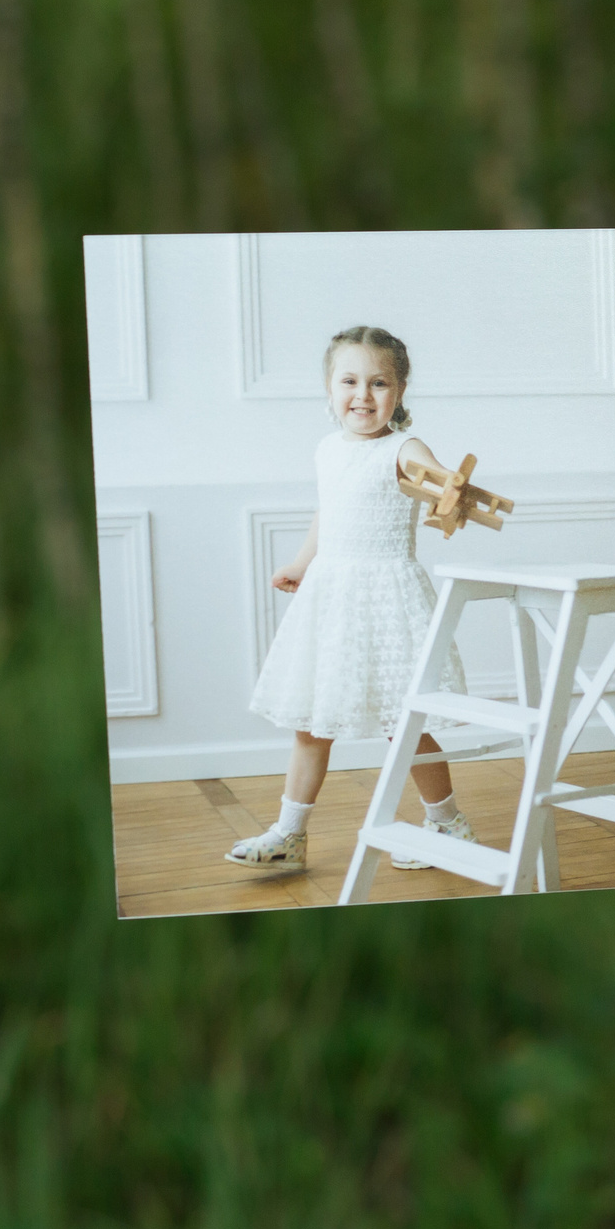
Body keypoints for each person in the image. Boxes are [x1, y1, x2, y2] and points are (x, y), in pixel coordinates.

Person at [226, 325, 476, 874]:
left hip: (386, 599)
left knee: (402, 724)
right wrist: (302, 561)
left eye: (379, 382)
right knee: (311, 721)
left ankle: (448, 821)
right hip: (332, 596)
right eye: (349, 381)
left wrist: (448, 496)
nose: (363, 395)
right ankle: (289, 832)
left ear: (401, 391)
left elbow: (439, 486)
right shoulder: (327, 449)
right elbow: (329, 511)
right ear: (328, 388)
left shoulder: (405, 448)